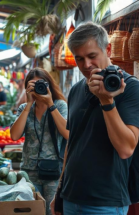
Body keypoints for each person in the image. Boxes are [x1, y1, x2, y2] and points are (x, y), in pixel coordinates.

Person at [50, 22, 139, 215]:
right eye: (79, 58)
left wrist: (107, 101)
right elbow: (71, 145)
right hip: (70, 197)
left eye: (92, 56)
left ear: (107, 49)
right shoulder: (75, 90)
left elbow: (126, 149)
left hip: (106, 202)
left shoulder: (131, 89)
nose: (86, 65)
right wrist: (59, 190)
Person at [10, 68, 68, 215]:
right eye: (33, 85)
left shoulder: (59, 105)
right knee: (32, 211)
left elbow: (67, 133)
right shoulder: (25, 108)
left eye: (41, 84)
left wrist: (50, 104)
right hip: (29, 171)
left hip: (53, 170)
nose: (38, 88)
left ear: (49, 85)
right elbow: (15, 135)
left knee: (51, 211)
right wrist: (28, 104)